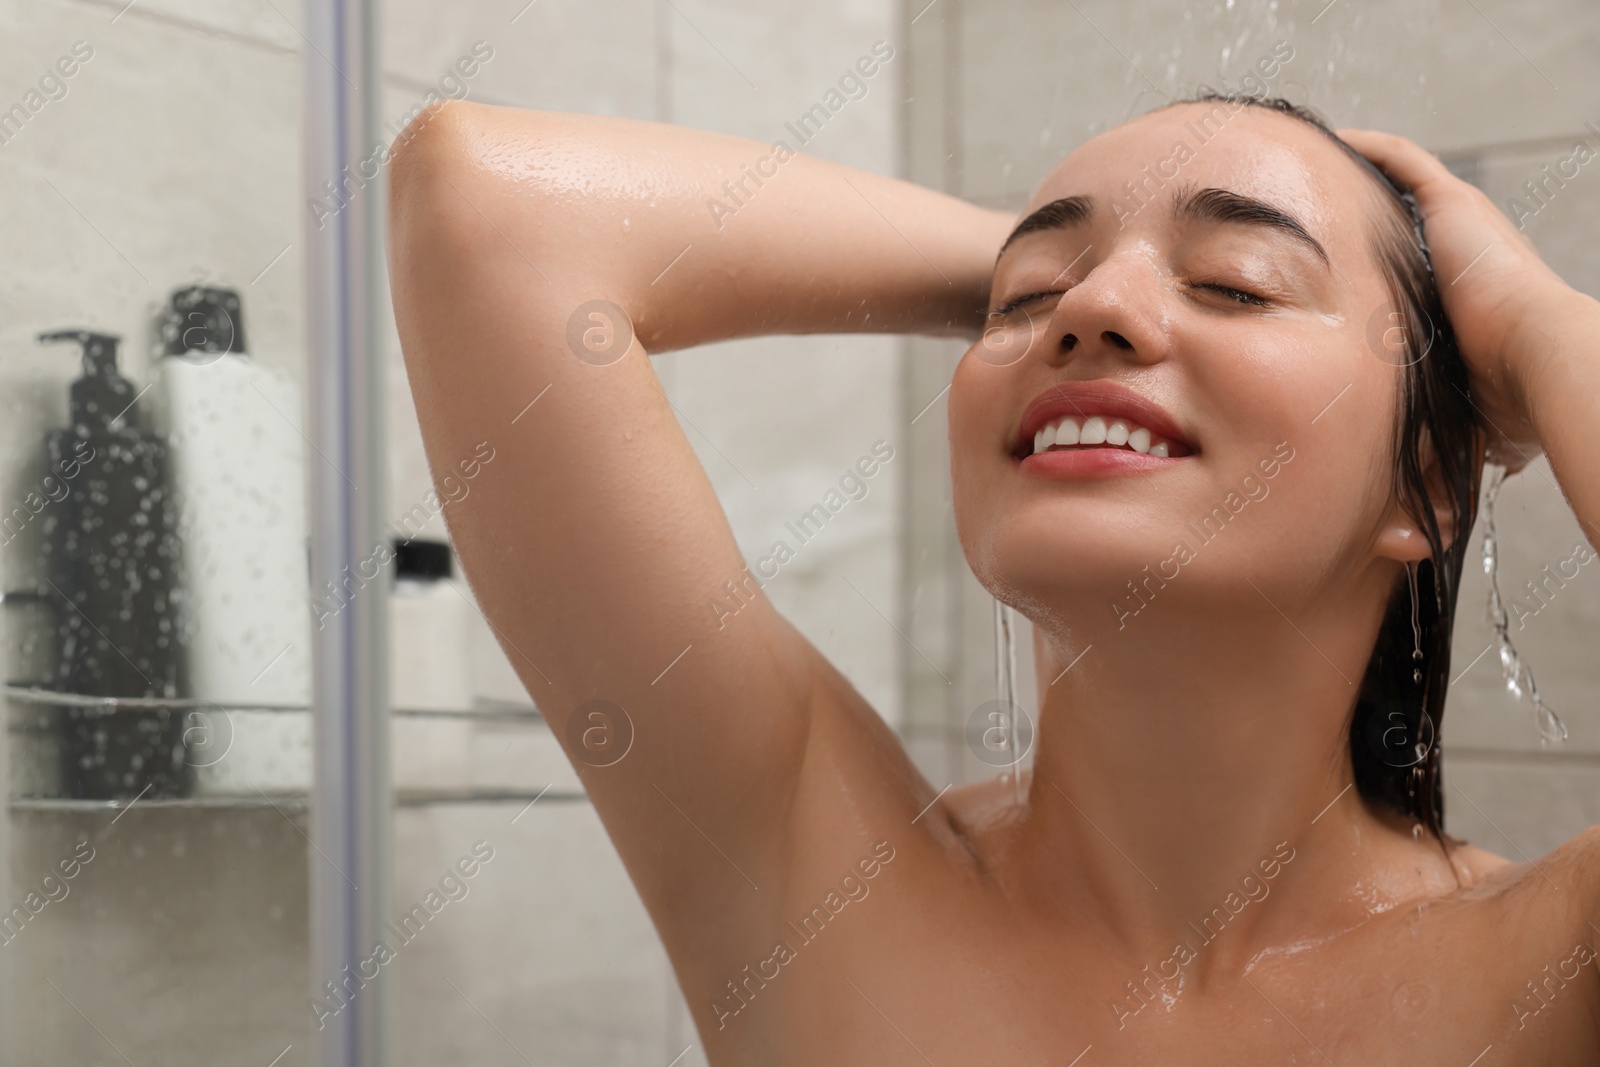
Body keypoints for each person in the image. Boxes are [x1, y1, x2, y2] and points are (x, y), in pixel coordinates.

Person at [386, 89, 1600, 1064]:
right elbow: (483, 201)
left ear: (1429, 483)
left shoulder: (1550, 970)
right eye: (1023, 300)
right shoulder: (815, 878)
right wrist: (1075, 271)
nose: (1088, 311)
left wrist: (1535, 322)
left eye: (1235, 281)